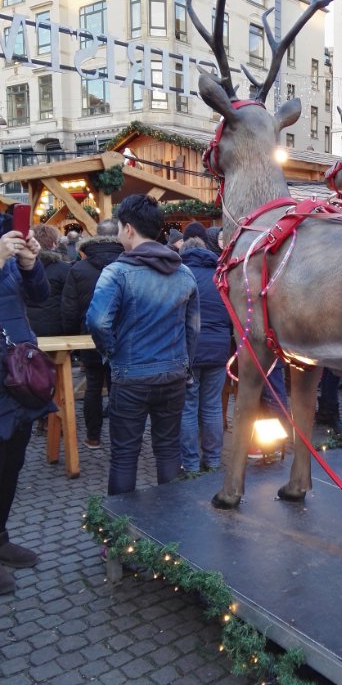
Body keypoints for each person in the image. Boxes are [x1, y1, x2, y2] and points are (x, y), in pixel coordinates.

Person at [86, 195, 199, 496]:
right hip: (173, 374)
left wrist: (111, 352)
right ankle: (172, 525)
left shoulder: (117, 272)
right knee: (167, 451)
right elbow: (193, 328)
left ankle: (120, 537)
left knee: (124, 455)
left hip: (131, 375)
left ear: (128, 228)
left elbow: (97, 322)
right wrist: (185, 366)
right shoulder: (183, 272)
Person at [0, 224, 53, 595]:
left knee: (11, 463)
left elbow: (40, 297)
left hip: (16, 377)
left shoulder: (9, 259)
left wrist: (31, 263)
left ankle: (0, 537)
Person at [61, 218, 124, 449]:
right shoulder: (127, 265)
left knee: (93, 387)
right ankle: (120, 439)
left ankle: (93, 436)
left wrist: (74, 342)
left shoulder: (78, 269)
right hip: (120, 338)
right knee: (118, 387)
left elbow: (69, 310)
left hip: (88, 337)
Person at [178, 236, 232, 473]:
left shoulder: (179, 274)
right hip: (219, 349)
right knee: (212, 406)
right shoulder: (221, 276)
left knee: (188, 406)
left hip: (188, 349)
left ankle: (189, 464)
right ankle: (212, 460)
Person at [25, 225, 72, 338]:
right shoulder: (64, 269)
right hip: (55, 328)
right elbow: (69, 302)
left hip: (26, 327)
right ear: (54, 243)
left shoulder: (19, 266)